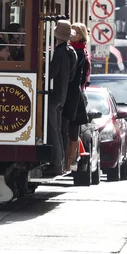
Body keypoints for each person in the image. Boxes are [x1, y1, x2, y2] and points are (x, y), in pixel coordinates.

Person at [44, 20, 77, 176]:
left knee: (53, 130)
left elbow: (52, 73)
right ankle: (61, 163)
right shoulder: (72, 52)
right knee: (57, 130)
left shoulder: (60, 52)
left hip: (54, 95)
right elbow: (70, 76)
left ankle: (57, 164)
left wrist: (43, 75)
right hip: (62, 95)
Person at [62, 23, 90, 171]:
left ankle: (69, 161)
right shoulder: (73, 49)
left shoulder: (78, 52)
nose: (72, 33)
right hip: (73, 91)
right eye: (71, 30)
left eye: (76, 31)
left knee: (73, 128)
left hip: (74, 93)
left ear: (81, 35)